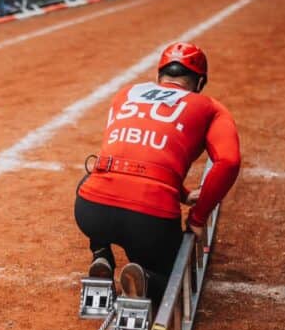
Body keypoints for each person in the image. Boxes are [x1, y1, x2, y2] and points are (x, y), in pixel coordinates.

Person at [74, 42, 240, 304]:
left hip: (91, 210)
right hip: (149, 220)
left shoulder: (127, 93)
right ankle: (145, 278)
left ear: (159, 75)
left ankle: (101, 253)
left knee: (94, 175)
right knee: (174, 275)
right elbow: (228, 161)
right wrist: (197, 219)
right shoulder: (209, 107)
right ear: (199, 83)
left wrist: (183, 194)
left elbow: (131, 153)